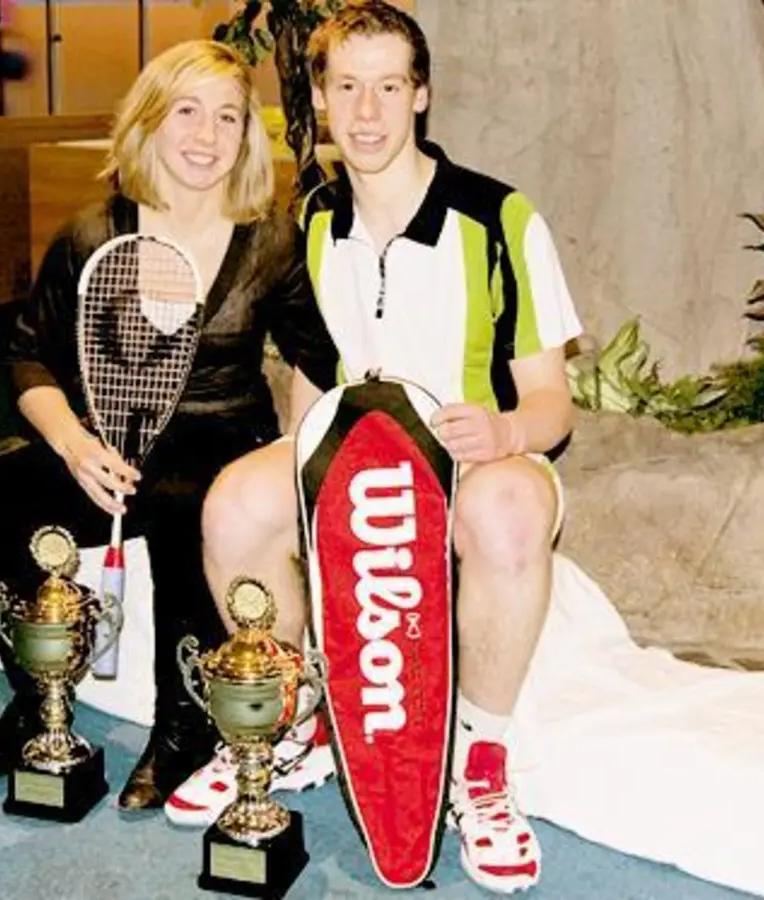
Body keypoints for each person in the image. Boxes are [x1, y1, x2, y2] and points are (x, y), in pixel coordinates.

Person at [170, 2, 584, 892]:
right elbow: (312, 388)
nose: (366, 112)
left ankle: (480, 764)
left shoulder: (501, 218)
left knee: (505, 510)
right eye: (346, 87)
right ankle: (287, 722)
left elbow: (554, 403)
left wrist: (505, 430)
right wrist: (298, 478)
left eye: (388, 87)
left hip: (479, 462)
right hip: (354, 463)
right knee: (237, 501)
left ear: (421, 95)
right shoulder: (311, 223)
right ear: (318, 97)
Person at [0, 40, 341, 812]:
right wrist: (72, 444)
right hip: (104, 442)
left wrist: (292, 460)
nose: (206, 135)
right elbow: (30, 360)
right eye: (187, 111)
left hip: (222, 443)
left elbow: (317, 358)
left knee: (187, 509)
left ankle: (184, 728)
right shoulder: (93, 232)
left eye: (227, 117)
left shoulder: (270, 242)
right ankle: (38, 698)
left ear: (246, 136)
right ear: (151, 121)